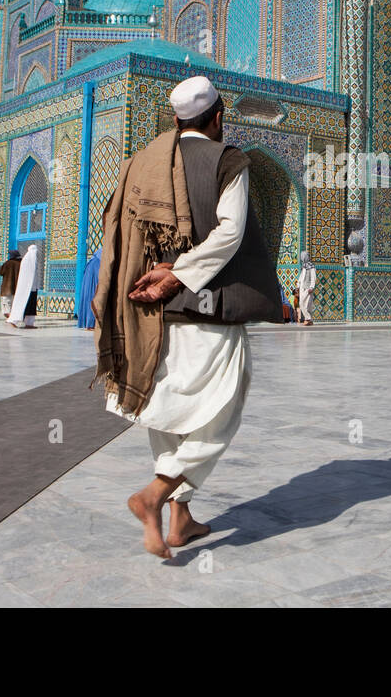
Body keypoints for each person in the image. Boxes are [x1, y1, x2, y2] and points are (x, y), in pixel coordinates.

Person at [91, 74, 282, 558]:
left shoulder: (144, 162)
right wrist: (180, 273)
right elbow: (230, 232)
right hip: (208, 305)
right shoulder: (228, 159)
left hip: (154, 310)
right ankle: (154, 496)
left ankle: (181, 520)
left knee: (171, 412)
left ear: (177, 120)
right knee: (221, 410)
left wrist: (160, 280)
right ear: (217, 118)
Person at [8, 243, 41, 328]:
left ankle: (29, 323)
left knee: (31, 306)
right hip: (26, 288)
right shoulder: (26, 260)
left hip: (33, 288)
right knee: (23, 304)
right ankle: (13, 320)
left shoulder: (33, 260)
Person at [77, 247, 102, 329]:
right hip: (96, 267)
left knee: (89, 293)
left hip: (92, 267)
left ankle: (88, 322)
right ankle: (91, 323)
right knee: (94, 293)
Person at [0, 249, 21, 318]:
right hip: (17, 286)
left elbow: (1, 272)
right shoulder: (21, 263)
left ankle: (9, 317)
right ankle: (13, 316)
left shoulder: (8, 263)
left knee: (6, 302)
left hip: (7, 287)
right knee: (14, 302)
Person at [297, 251, 316, 326]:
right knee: (301, 303)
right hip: (302, 288)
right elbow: (301, 277)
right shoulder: (304, 266)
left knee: (307, 305)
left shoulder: (312, 267)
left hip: (308, 288)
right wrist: (298, 286)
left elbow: (313, 278)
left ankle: (308, 319)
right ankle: (309, 319)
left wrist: (312, 287)